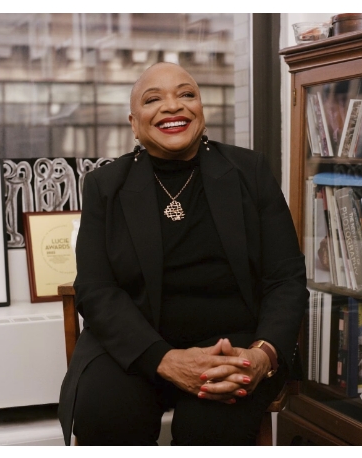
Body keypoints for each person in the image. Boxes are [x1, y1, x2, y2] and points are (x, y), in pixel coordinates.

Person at [57, 62, 308, 445]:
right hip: (135, 345)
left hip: (230, 346)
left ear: (202, 112)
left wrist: (262, 354)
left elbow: (285, 279)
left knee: (210, 432)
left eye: (187, 94)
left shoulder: (249, 171)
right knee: (107, 415)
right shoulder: (105, 186)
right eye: (153, 99)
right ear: (133, 122)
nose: (173, 107)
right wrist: (164, 359)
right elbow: (95, 289)